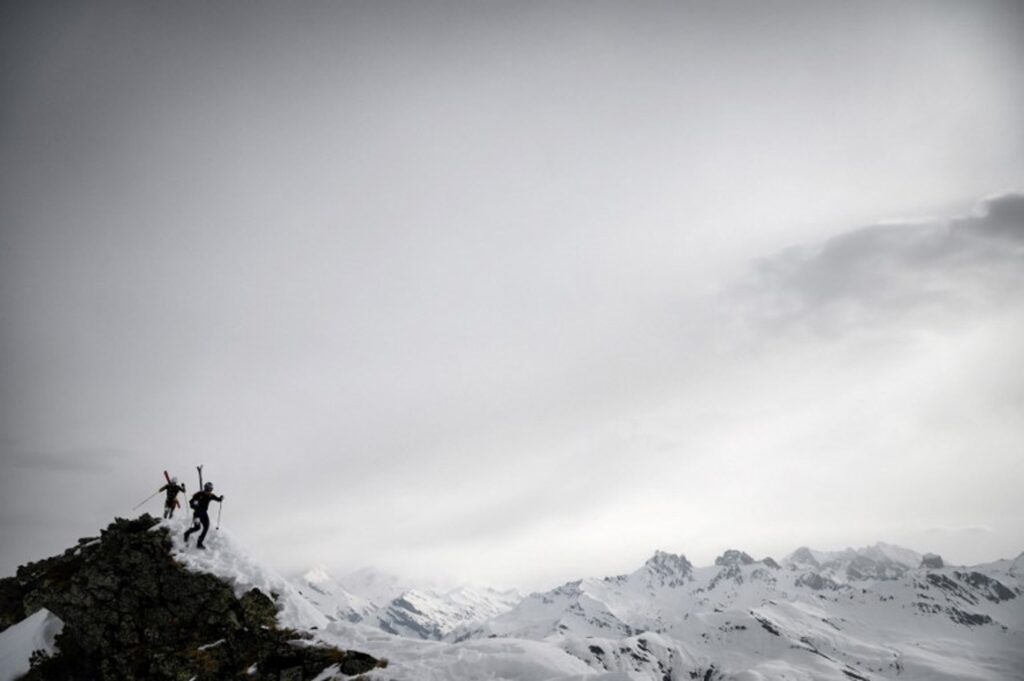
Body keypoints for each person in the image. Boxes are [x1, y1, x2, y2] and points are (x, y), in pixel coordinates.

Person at [183, 481, 224, 549]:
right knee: (197, 527)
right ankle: (186, 533)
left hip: (204, 514)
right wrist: (194, 505)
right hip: (197, 514)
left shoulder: (210, 495)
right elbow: (191, 502)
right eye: (207, 489)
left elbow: (218, 499)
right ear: (205, 488)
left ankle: (199, 543)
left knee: (206, 527)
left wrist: (221, 498)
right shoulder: (199, 494)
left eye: (210, 490)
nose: (208, 491)